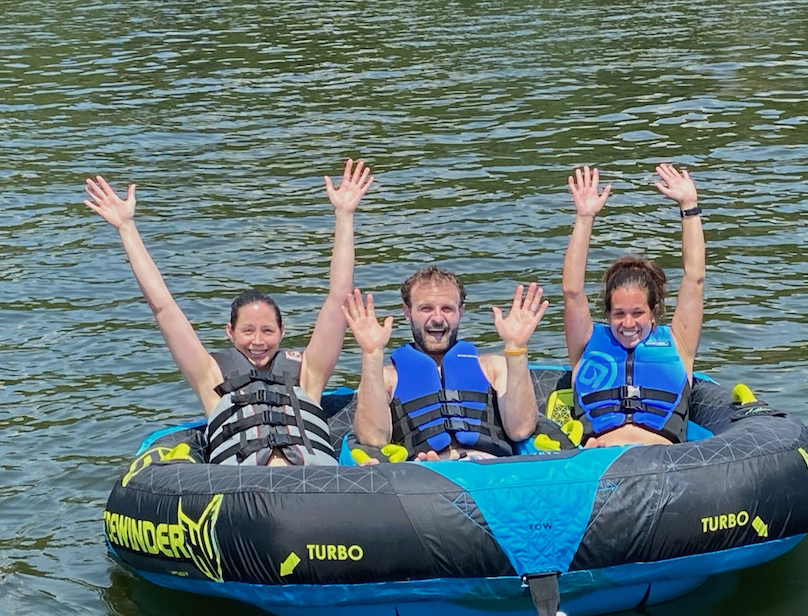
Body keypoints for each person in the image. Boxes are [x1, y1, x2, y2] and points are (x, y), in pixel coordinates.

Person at [84, 158, 374, 466]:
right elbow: (163, 307)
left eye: (267, 331)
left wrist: (344, 215)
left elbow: (338, 297)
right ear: (230, 332)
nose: (258, 341)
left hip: (315, 485)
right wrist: (126, 228)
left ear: (282, 331)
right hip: (244, 494)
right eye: (247, 331)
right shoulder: (210, 376)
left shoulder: (309, 374)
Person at [561, 163, 705, 447]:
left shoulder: (678, 344)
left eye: (638, 313)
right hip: (598, 463)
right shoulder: (587, 344)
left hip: (659, 459)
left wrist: (689, 206)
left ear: (654, 313)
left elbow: (694, 279)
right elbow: (572, 291)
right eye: (619, 314)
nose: (628, 323)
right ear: (608, 314)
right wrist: (584, 217)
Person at [341, 267, 547, 460]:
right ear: (407, 311)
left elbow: (521, 429)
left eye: (447, 309)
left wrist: (516, 347)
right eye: (426, 308)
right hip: (425, 473)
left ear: (461, 312)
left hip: (487, 470)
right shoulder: (387, 377)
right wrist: (371, 353)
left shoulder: (494, 367)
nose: (437, 318)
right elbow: (373, 440)